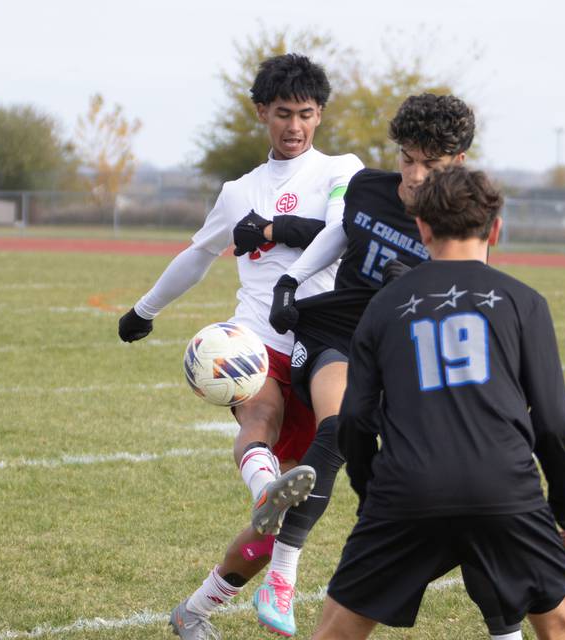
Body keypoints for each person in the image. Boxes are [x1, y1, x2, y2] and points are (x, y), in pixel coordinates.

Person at [251, 94, 525, 639]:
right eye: (407, 159)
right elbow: (340, 232)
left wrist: (420, 289)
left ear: (459, 162)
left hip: (408, 357)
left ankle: (505, 630)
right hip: (339, 335)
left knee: (462, 482)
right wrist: (289, 281)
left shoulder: (462, 221)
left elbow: (468, 299)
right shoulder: (368, 188)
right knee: (339, 425)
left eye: (431, 164)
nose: (415, 176)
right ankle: (280, 576)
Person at [116, 53, 363, 639]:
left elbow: (340, 231)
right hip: (254, 339)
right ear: (261, 113)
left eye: (306, 114)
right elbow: (199, 253)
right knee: (260, 416)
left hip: (324, 347)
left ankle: (193, 610)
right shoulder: (239, 191)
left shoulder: (343, 170)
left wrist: (273, 230)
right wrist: (144, 309)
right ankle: (263, 489)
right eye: (283, 113)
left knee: (279, 526)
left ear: (320, 114)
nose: (294, 126)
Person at [311, 165, 565, 640]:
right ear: (495, 230)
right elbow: (554, 425)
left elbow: (354, 420)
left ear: (422, 228)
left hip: (406, 490)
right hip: (505, 490)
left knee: (335, 633)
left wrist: (371, 497)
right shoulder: (525, 301)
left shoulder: (383, 304)